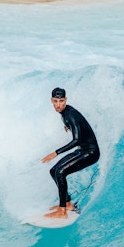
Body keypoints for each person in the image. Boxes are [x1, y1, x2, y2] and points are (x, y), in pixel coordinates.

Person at [41, 87, 100, 219]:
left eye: (61, 101)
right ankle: (67, 204)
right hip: (82, 150)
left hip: (91, 152)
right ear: (51, 100)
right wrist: (68, 125)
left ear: (66, 100)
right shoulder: (65, 113)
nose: (58, 105)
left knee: (60, 172)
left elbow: (77, 140)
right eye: (55, 101)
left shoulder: (71, 114)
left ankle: (62, 212)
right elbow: (77, 125)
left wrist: (55, 153)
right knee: (53, 171)